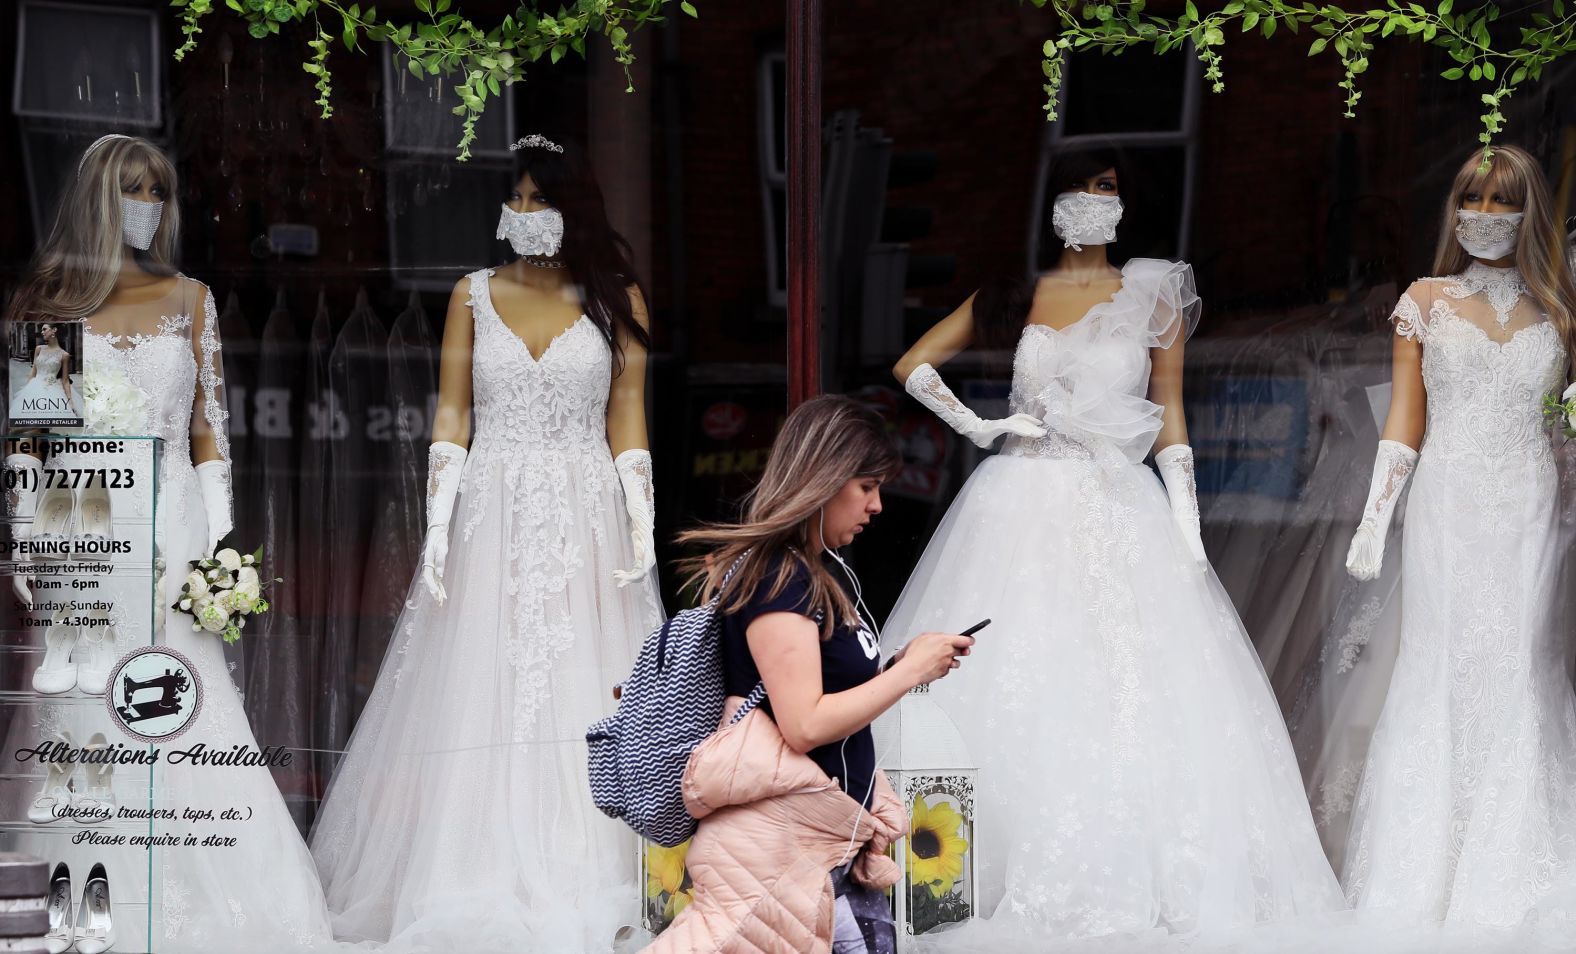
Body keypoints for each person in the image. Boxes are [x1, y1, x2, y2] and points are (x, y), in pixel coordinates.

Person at [880, 144, 1344, 944]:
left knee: (1135, 681)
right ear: (1048, 200)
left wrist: (1188, 530)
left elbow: (1170, 416)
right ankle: (952, 870)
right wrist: (983, 426)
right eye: (1077, 185)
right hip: (1019, 499)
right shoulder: (1017, 290)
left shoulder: (1153, 290)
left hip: (1120, 504)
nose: (1090, 199)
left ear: (1128, 206)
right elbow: (914, 364)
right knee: (1012, 671)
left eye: (1107, 187)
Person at [309, 134, 663, 952]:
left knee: (587, 672)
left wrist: (641, 517)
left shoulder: (618, 300)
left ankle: (593, 862)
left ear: (576, 209)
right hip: (491, 507)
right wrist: (436, 525)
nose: (530, 214)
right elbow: (452, 414)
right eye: (522, 200)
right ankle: (470, 865)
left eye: (545, 199)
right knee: (483, 674)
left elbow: (628, 414)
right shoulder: (470, 293)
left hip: (586, 507)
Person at [2, 133, 336, 953]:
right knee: (82, 704)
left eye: (158, 190)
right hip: (79, 520)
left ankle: (218, 895)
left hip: (176, 522)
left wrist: (220, 544)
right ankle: (88, 900)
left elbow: (208, 430)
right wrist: (19, 537)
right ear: (97, 198)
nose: (147, 205)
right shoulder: (46, 301)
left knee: (184, 698)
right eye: (132, 189)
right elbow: (28, 433)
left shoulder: (193, 297)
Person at [1336, 144, 1576, 928]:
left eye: (1504, 201)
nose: (1485, 215)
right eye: (1473, 198)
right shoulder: (1425, 301)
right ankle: (1425, 871)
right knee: (1440, 663)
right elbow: (1406, 421)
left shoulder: (1561, 308)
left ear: (1529, 211)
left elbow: (1562, 426)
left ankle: (1514, 866)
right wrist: (1375, 519)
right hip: (1448, 502)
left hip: (1533, 505)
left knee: (1523, 663)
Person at [650, 394, 975, 954]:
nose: (876, 505)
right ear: (822, 480)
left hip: (822, 843)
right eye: (866, 486)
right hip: (777, 852)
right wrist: (906, 675)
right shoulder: (781, 578)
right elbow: (803, 723)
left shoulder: (819, 573)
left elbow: (818, 692)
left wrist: (902, 665)